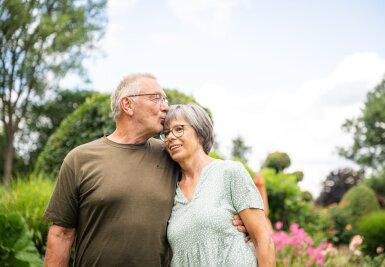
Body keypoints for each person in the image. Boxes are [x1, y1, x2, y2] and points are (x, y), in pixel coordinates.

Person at [43, 73, 246, 266]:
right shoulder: (80, 159)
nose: (165, 107)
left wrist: (239, 222)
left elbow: (211, 183)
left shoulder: (171, 155)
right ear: (128, 105)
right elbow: (61, 234)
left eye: (165, 100)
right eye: (156, 98)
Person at [161, 103, 276, 267]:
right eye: (166, 133)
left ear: (200, 131)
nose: (170, 137)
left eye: (179, 129)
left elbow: (263, 241)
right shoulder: (170, 189)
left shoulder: (229, 172)